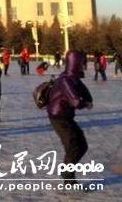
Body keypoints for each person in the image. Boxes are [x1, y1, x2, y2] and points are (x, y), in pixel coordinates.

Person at [47, 50, 93, 184]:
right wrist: (85, 103)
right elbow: (75, 101)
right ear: (76, 63)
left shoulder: (73, 78)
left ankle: (67, 171)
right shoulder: (66, 79)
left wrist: (86, 98)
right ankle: (68, 177)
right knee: (73, 145)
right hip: (58, 116)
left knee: (82, 145)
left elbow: (87, 95)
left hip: (66, 116)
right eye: (82, 63)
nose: (84, 65)